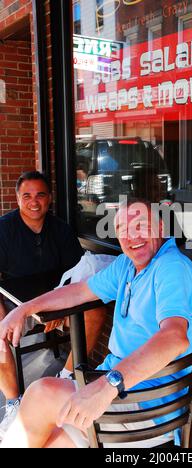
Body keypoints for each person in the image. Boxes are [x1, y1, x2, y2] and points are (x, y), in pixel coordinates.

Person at [0, 199, 192, 448]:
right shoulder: (126, 265)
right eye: (123, 229)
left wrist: (108, 385)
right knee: (48, 441)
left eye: (141, 225)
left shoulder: (171, 267)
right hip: (120, 395)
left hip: (150, 407)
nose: (132, 237)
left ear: (161, 228)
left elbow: (175, 337)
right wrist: (26, 308)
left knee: (41, 393)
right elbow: (80, 291)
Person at [0, 171, 107, 439]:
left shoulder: (60, 229)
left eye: (40, 195)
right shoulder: (4, 229)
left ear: (49, 199)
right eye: (27, 195)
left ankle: (67, 376)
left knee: (95, 312)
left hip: (53, 300)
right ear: (17, 199)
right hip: (12, 302)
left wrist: (57, 306)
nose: (34, 201)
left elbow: (77, 273)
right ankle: (14, 403)